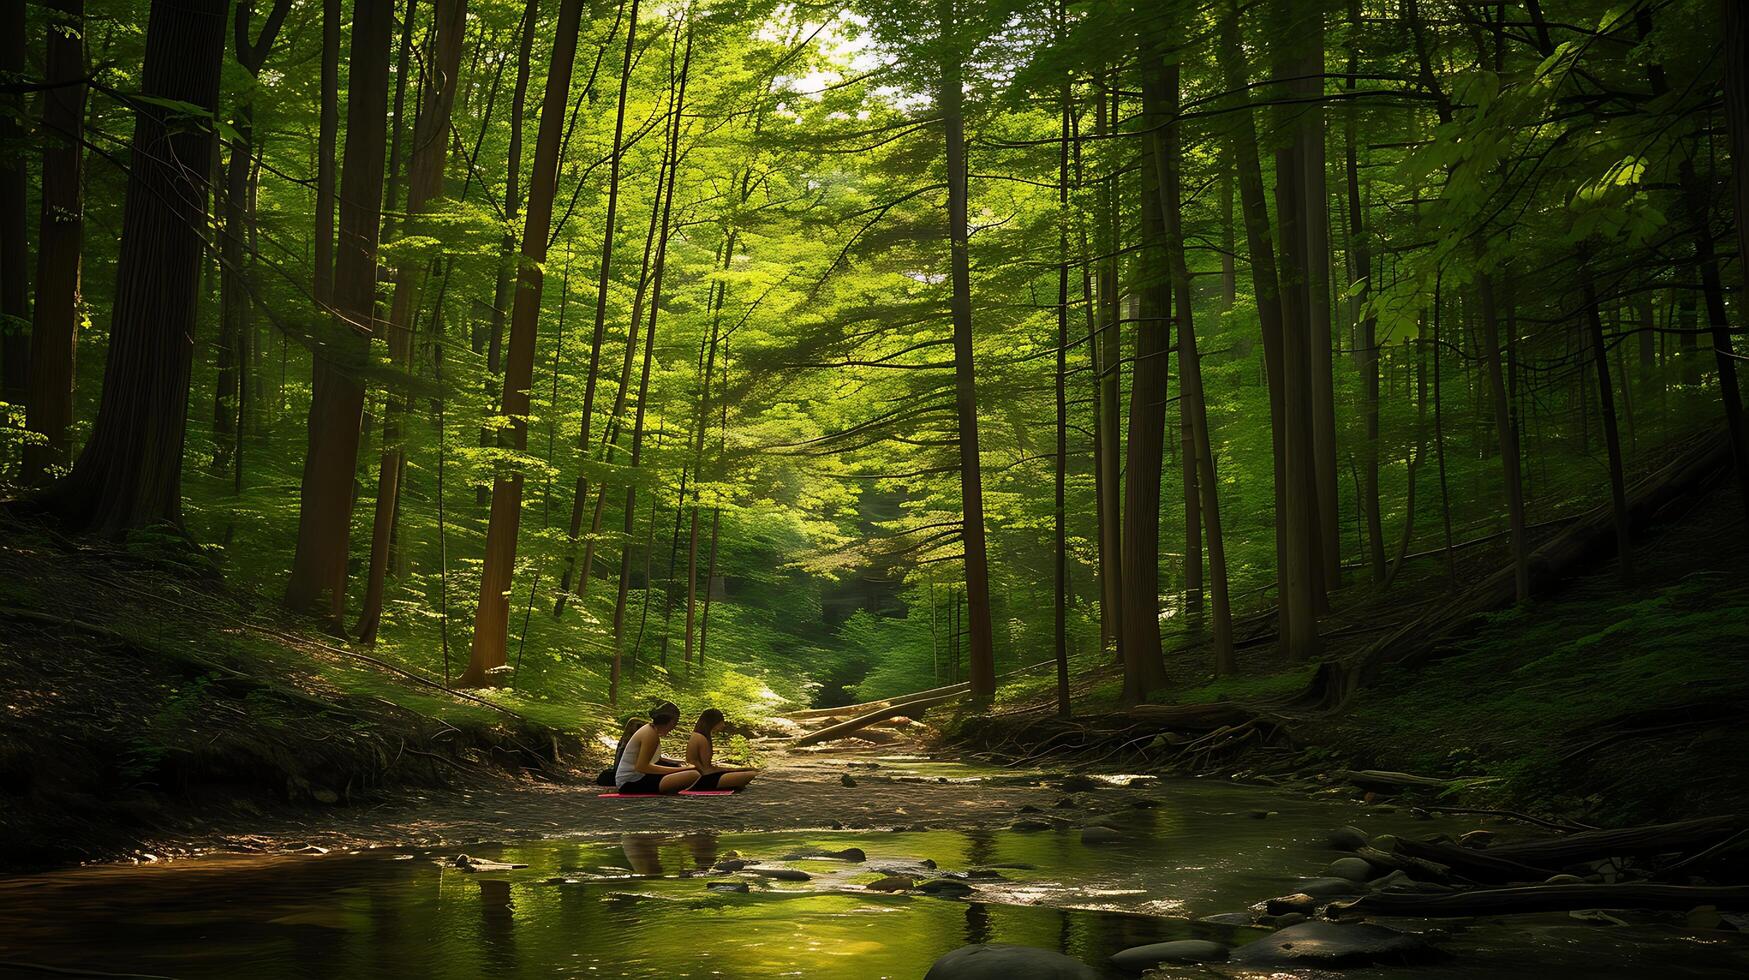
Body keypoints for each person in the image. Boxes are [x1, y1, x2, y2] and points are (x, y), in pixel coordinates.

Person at [614, 702, 698, 794]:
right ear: (670, 721)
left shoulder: (652, 731)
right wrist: (682, 769)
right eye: (675, 722)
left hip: (640, 777)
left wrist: (679, 762)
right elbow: (642, 767)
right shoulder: (650, 734)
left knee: (684, 769)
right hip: (630, 783)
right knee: (693, 775)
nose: (674, 727)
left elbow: (655, 758)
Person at [685, 708, 759, 791]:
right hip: (701, 779)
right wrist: (736, 770)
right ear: (713, 721)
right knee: (751, 774)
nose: (723, 725)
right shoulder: (702, 738)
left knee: (744, 774)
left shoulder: (697, 735)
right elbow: (707, 770)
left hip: (699, 776)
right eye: (721, 721)